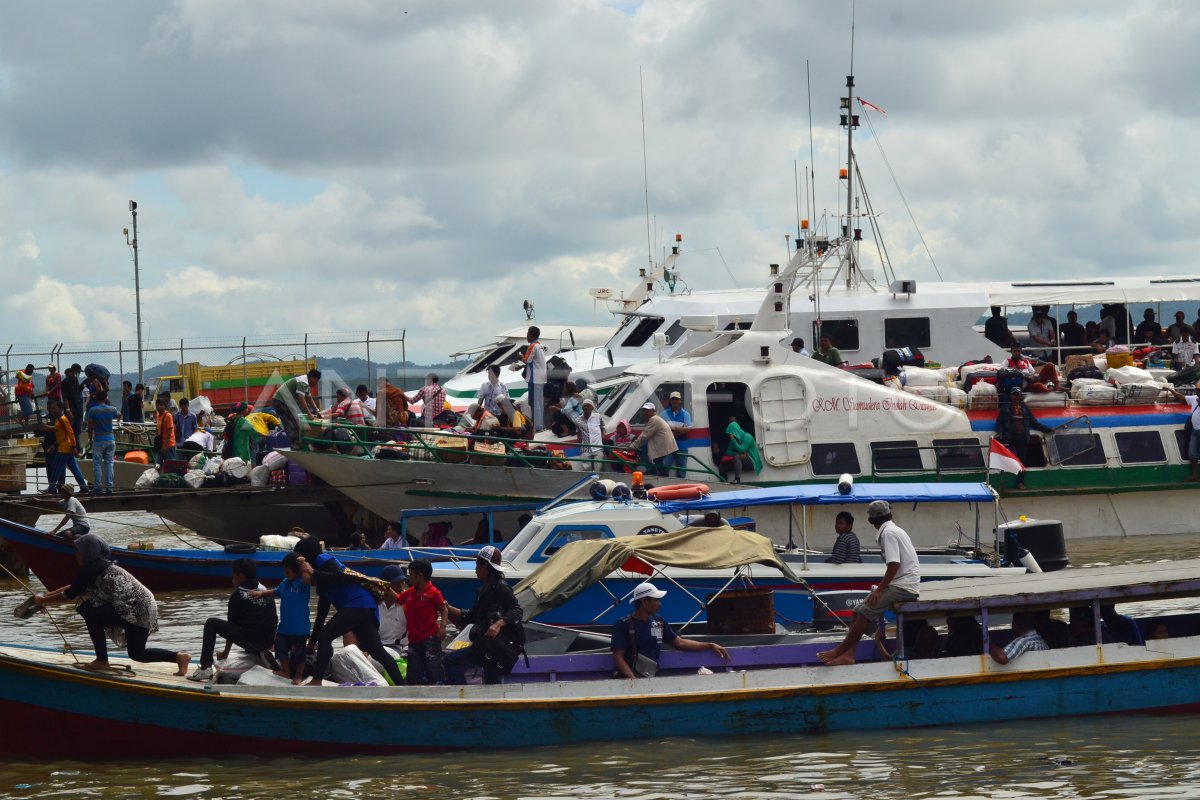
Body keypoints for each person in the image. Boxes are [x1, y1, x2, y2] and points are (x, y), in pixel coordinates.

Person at [33, 534, 190, 675]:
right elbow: (74, 587)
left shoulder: (92, 568)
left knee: (91, 615)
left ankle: (102, 660)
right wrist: (48, 596)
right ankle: (179, 657)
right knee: (137, 654)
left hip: (134, 606)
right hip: (146, 606)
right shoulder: (99, 567)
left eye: (78, 551)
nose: (76, 555)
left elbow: (70, 595)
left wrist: (43, 601)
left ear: (88, 552)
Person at [817, 500, 920, 666]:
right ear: (891, 515)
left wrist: (879, 589)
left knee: (865, 612)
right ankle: (849, 655)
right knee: (857, 611)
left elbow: (894, 564)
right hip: (900, 583)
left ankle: (838, 651)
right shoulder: (893, 529)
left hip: (905, 586)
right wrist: (881, 587)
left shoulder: (888, 533)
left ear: (871, 521)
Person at [293, 538, 405, 687]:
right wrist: (312, 642)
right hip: (365, 605)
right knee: (377, 651)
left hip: (358, 603)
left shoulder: (322, 559)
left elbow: (341, 575)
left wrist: (313, 571)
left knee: (326, 636)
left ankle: (317, 680)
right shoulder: (322, 581)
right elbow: (321, 614)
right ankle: (403, 686)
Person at [611, 582, 729, 678]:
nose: (660, 604)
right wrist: (633, 681)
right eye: (656, 600)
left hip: (649, 678)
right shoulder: (623, 624)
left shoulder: (658, 622)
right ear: (645, 602)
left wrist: (709, 645)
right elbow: (618, 657)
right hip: (627, 681)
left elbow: (679, 642)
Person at [188, 559, 279, 682]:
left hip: (251, 640)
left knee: (211, 623)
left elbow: (232, 625)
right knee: (254, 628)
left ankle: (205, 668)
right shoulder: (265, 590)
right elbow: (274, 619)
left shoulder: (238, 595)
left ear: (240, 576)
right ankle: (262, 652)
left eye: (233, 576)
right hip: (267, 640)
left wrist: (226, 652)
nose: (232, 580)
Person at [444, 545, 524, 685]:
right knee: (491, 683)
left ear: (486, 566)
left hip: (494, 647)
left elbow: (516, 611)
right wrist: (445, 607)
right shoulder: (484, 590)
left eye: (477, 565)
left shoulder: (500, 587)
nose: (475, 569)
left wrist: (498, 624)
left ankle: (464, 702)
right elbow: (471, 616)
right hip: (485, 645)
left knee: (451, 660)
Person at [251, 552, 311, 684]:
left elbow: (308, 578)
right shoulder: (285, 583)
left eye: (288, 572)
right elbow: (276, 592)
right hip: (284, 628)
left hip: (300, 628)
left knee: (299, 655)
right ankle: (286, 671)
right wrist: (261, 593)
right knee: (280, 648)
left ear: (298, 572)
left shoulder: (302, 583)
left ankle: (298, 676)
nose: (285, 574)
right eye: (284, 571)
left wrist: (303, 564)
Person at [398, 559, 448, 686]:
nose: (409, 577)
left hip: (429, 639)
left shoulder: (433, 593)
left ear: (419, 575)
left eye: (411, 574)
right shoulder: (410, 592)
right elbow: (399, 599)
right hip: (414, 641)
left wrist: (442, 627)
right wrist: (384, 587)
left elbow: (443, 609)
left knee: (434, 671)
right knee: (413, 674)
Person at [995, 388, 1054, 489]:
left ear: (1020, 396)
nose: (1015, 397)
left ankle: (1020, 482)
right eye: (1014, 395)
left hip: (1022, 437)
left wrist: (1047, 429)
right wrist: (1001, 434)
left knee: (1022, 461)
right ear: (1010, 396)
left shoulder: (1025, 409)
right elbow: (999, 423)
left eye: (1017, 395)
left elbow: (1034, 423)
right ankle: (1002, 481)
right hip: (1010, 437)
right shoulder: (1005, 408)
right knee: (1008, 460)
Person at [271, 368, 322, 444]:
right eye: (316, 381)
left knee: (298, 419)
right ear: (312, 378)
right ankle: (296, 444)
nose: (316, 383)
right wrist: (309, 413)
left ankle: (300, 442)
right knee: (292, 422)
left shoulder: (306, 383)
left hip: (286, 402)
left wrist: (317, 410)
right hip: (280, 401)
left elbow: (308, 398)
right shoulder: (302, 382)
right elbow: (301, 397)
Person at [47, 399, 88, 494]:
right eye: (52, 408)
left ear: (60, 408)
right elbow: (59, 429)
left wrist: (74, 446)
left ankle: (52, 488)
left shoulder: (63, 419)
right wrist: (49, 428)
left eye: (54, 408)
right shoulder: (59, 419)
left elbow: (71, 432)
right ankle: (84, 487)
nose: (52, 410)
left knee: (56, 468)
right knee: (74, 468)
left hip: (64, 448)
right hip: (65, 447)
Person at [85, 390, 120, 494]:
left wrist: (90, 439)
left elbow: (90, 426)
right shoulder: (111, 409)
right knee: (109, 463)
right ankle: (109, 487)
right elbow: (119, 414)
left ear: (96, 398)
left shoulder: (93, 410)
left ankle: (98, 487)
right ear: (106, 398)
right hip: (110, 439)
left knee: (97, 464)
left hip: (99, 440)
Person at [630, 401, 678, 476]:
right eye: (645, 410)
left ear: (653, 410)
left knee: (644, 451)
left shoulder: (654, 419)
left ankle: (653, 470)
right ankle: (659, 473)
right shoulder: (656, 418)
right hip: (663, 444)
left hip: (663, 444)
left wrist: (633, 446)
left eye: (648, 410)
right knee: (657, 459)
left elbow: (645, 435)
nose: (645, 412)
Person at [1164, 383, 1200, 482]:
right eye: (1197, 390)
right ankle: (1194, 475)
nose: (1198, 392)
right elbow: (1181, 398)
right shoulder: (1194, 398)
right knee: (1192, 453)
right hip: (1195, 430)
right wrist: (1170, 390)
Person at [377, 564, 410, 657]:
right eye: (396, 583)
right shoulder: (375, 602)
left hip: (400, 648)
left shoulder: (407, 602)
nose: (401, 586)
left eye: (402, 582)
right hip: (376, 646)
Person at [659, 391, 692, 477]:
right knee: (664, 469)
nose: (675, 401)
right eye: (673, 399)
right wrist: (680, 429)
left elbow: (688, 430)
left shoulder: (686, 414)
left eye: (677, 399)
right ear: (670, 401)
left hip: (682, 446)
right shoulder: (664, 413)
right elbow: (662, 429)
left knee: (682, 471)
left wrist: (671, 429)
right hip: (668, 446)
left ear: (680, 401)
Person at [722, 418, 761, 484]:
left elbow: (742, 449)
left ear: (735, 431)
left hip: (751, 461)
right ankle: (723, 483)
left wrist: (734, 441)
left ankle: (737, 479)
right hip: (740, 461)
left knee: (737, 457)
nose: (730, 435)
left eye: (731, 433)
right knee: (722, 466)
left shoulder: (747, 437)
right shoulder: (734, 438)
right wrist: (737, 453)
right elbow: (728, 451)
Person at [571, 397, 604, 471]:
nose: (586, 407)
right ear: (582, 408)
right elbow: (578, 432)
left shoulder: (598, 416)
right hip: (585, 448)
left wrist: (602, 437)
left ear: (592, 407)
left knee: (598, 469)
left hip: (597, 447)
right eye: (584, 406)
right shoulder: (578, 420)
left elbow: (602, 427)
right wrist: (579, 440)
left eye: (588, 405)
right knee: (586, 469)